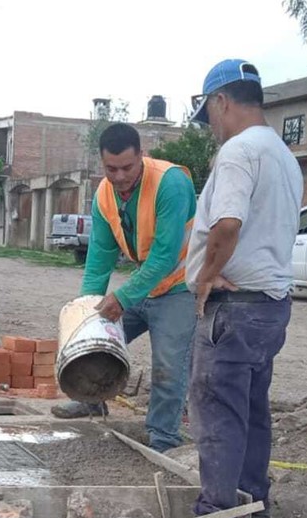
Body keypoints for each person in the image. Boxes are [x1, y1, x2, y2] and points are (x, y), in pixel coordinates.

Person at [184, 59, 302, 518]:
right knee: (252, 410)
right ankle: (254, 506)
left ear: (222, 101)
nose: (212, 125)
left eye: (210, 113)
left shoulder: (238, 152)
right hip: (271, 306)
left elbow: (227, 222)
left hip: (234, 307)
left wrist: (208, 273)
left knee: (216, 410)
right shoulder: (284, 156)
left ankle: (219, 516)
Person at [51, 123, 198, 455]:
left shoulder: (170, 183)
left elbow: (164, 255)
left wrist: (124, 297)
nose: (118, 176)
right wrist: (87, 310)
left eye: (127, 167)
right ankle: (91, 401)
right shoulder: (104, 193)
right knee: (93, 342)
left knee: (168, 365)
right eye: (110, 168)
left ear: (142, 156)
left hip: (178, 286)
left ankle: (163, 437)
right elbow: (100, 257)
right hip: (141, 285)